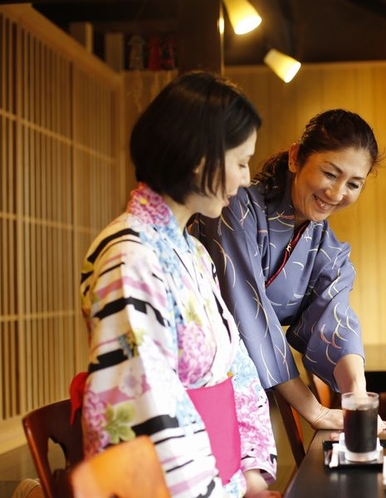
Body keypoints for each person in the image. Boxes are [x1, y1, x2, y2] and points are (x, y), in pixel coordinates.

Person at [77, 71, 280, 498]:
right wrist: (224, 490)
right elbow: (148, 399)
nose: (246, 179)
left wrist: (253, 469)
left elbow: (237, 368)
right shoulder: (128, 255)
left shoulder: (194, 252)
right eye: (241, 162)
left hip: (225, 479)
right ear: (198, 158)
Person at [190, 109, 386, 432]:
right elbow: (250, 313)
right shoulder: (235, 208)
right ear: (296, 157)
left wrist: (356, 396)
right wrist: (315, 410)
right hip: (196, 379)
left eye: (354, 184)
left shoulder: (326, 245)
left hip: (245, 391)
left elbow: (334, 317)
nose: (337, 193)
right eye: (330, 173)